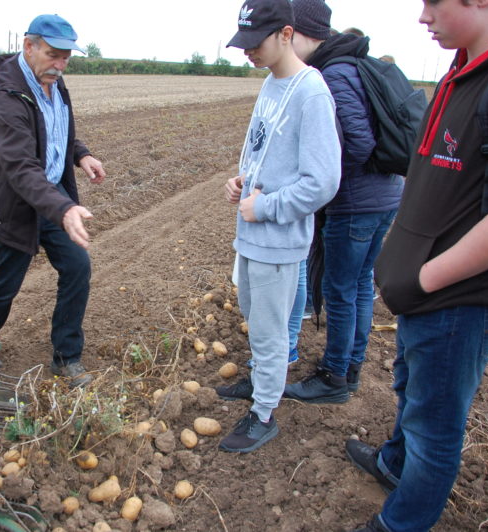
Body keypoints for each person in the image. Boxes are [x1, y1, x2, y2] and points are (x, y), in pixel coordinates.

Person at [345, 1, 488, 531]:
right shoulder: (465, 69)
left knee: (435, 428)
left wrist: (424, 280)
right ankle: (396, 463)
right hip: (425, 295)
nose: (423, 16)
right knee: (410, 388)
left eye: (433, 2)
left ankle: (401, 523)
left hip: (460, 299)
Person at [216, 0, 341, 454]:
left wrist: (265, 206)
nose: (247, 51)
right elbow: (262, 151)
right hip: (252, 234)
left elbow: (323, 181)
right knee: (258, 321)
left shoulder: (312, 93)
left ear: (286, 34)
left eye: (256, 42)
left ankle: (264, 414)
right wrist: (240, 180)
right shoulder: (272, 83)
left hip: (276, 239)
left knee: (270, 332)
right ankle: (258, 384)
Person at [0, 14, 106, 388]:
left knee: (77, 265)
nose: (60, 64)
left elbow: (54, 130)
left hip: (52, 199)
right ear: (28, 46)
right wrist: (65, 208)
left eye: (66, 57)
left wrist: (81, 154)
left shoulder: (53, 82)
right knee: (4, 286)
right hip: (15, 205)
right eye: (53, 54)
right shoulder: (5, 100)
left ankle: (66, 357)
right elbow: (20, 167)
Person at [283, 0, 403, 404]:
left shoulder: (333, 73)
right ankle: (349, 367)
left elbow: (358, 141)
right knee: (358, 285)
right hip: (385, 195)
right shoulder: (354, 62)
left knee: (340, 289)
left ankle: (334, 375)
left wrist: (322, 177)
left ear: (302, 34)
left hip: (356, 204)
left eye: (288, 35)